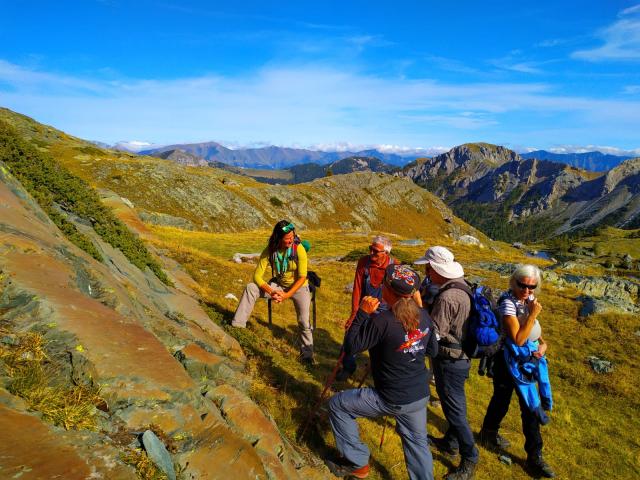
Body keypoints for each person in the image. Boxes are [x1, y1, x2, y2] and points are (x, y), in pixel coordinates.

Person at [326, 264, 439, 480]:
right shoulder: (424, 316)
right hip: (418, 395)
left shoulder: (382, 321)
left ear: (387, 291)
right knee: (417, 443)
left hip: (390, 396)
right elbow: (432, 350)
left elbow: (351, 348)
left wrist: (361, 313)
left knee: (338, 405)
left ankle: (357, 464)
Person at [480, 264, 555, 478]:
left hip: (526, 361)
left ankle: (534, 457)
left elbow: (534, 332)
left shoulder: (528, 300)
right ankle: (490, 433)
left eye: (532, 287)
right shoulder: (508, 304)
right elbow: (518, 338)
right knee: (506, 400)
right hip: (507, 363)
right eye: (522, 285)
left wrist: (543, 344)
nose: (527, 290)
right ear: (514, 282)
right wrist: (532, 314)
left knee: (526, 408)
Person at [415, 246, 478, 480]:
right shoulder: (461, 284)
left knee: (455, 409)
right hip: (460, 358)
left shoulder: (447, 296)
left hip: (450, 360)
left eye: (428, 268)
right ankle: (450, 443)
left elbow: (436, 332)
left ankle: (470, 457)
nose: (426, 272)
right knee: (454, 404)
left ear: (436, 268)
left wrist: (420, 311)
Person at [231, 220, 314, 364]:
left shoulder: (298, 248)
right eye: (287, 238)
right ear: (278, 238)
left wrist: (287, 295)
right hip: (279, 286)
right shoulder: (270, 250)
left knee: (303, 321)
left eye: (292, 236)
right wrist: (271, 291)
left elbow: (302, 277)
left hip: (299, 288)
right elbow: (257, 276)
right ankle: (237, 326)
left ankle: (307, 355)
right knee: (251, 287)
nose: (291, 240)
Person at [338, 235, 396, 380]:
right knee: (351, 336)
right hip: (364, 307)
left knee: (380, 343)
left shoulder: (394, 267)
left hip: (383, 310)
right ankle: (348, 367)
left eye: (375, 251)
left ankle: (378, 371)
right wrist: (354, 313)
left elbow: (395, 295)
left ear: (386, 253)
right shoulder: (364, 262)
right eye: (370, 249)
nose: (371, 253)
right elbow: (357, 288)